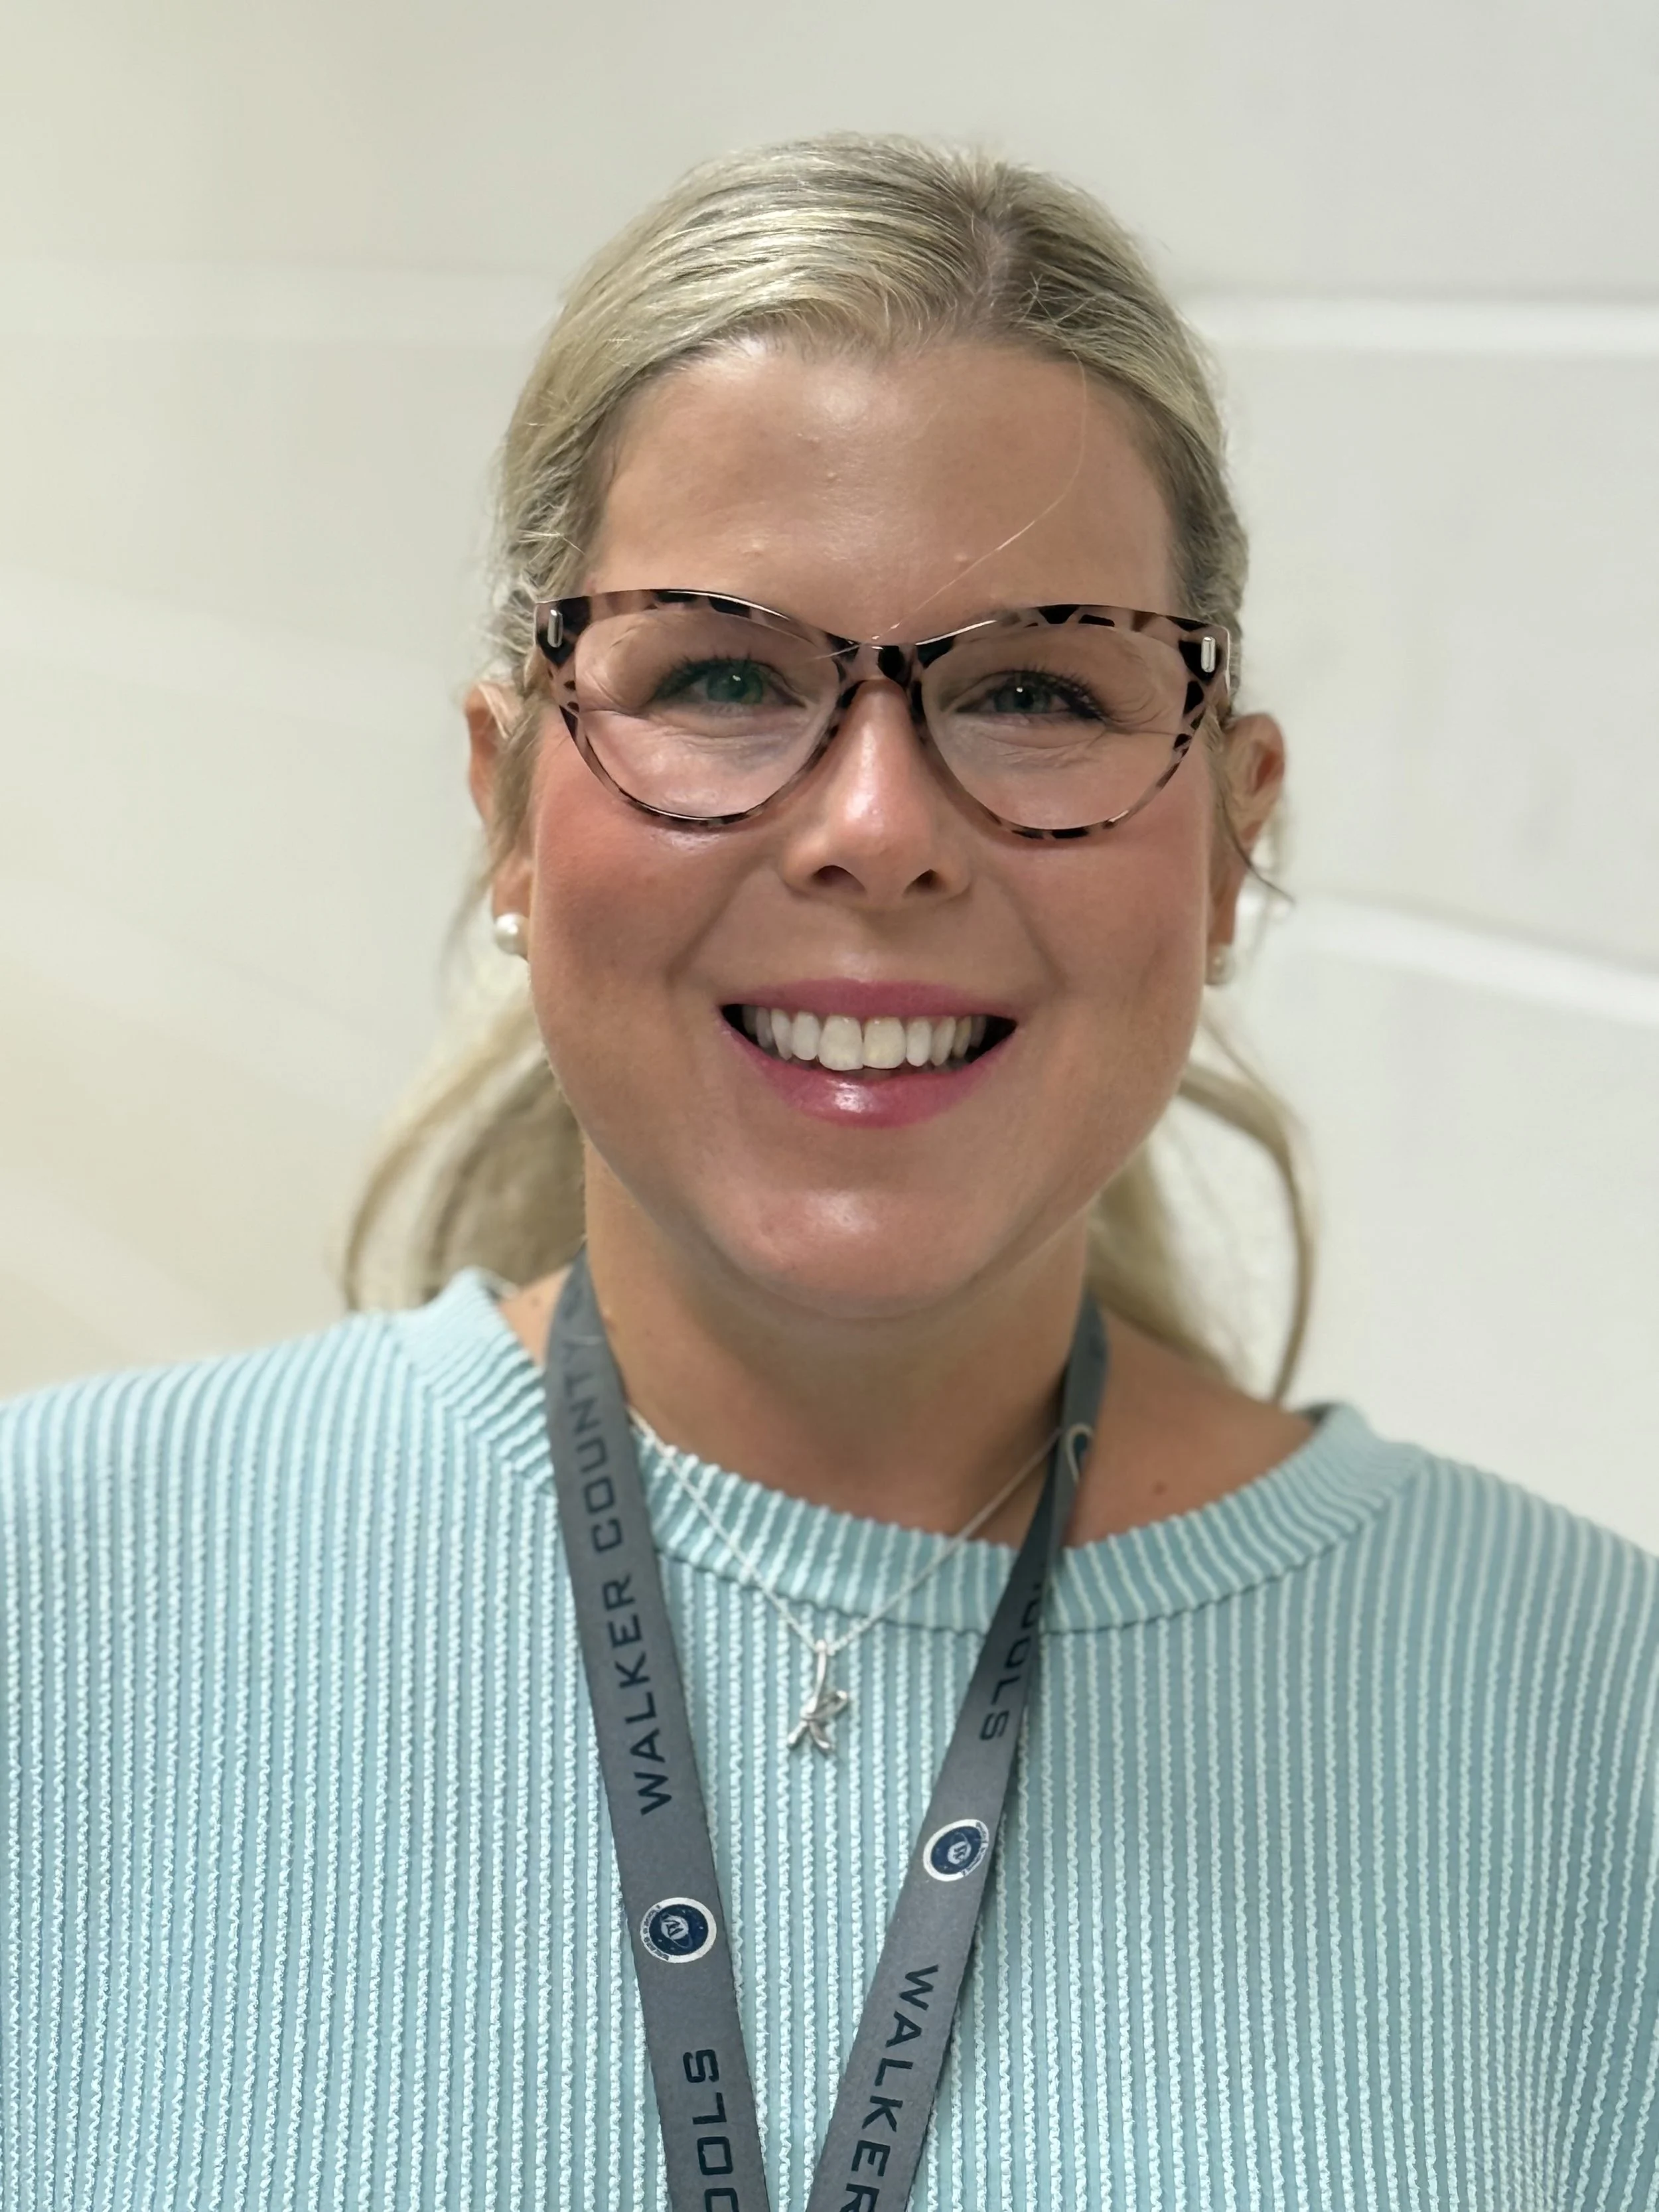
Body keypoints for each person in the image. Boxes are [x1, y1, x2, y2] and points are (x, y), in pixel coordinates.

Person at [5, 135, 1656, 2211]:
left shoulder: (1602, 1738)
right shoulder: (48, 1602)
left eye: (1037, 689)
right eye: (721, 674)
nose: (875, 824)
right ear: (507, 802)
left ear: (1231, 838)